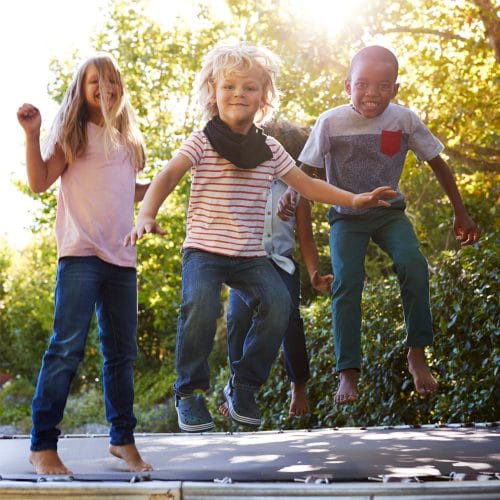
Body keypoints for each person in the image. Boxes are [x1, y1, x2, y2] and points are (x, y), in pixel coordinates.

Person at [124, 42, 396, 432]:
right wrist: (146, 214)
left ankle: (244, 386)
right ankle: (189, 393)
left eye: (249, 87)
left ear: (263, 97)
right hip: (204, 249)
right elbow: (168, 176)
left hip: (250, 255)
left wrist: (355, 197)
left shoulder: (270, 149)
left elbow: (307, 185)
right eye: (229, 87)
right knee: (200, 305)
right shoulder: (201, 141)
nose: (239, 94)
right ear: (213, 94)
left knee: (279, 305)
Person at [279, 45, 480, 405]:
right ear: (347, 86)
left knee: (413, 265)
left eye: (383, 85)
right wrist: (290, 196)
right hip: (347, 218)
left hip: (389, 212)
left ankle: (417, 353)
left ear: (396, 89)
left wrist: (460, 212)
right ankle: (348, 373)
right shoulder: (330, 122)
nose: (372, 93)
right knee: (347, 283)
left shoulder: (403, 120)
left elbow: (438, 163)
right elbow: (304, 173)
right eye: (363, 84)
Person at [17, 53, 152, 475]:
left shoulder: (129, 143)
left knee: (121, 354)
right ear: (82, 88)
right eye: (96, 81)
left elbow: (128, 191)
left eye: (111, 81)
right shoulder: (71, 136)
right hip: (80, 256)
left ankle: (122, 440)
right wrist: (33, 134)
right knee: (65, 349)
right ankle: (42, 446)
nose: (105, 88)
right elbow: (39, 183)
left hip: (122, 260)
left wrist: (167, 188)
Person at [222, 120, 333, 418]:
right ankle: (237, 388)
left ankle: (298, 385)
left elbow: (306, 238)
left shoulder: (296, 192)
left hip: (282, 266)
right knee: (237, 319)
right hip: (245, 264)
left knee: (290, 319)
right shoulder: (243, 184)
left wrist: (313, 274)